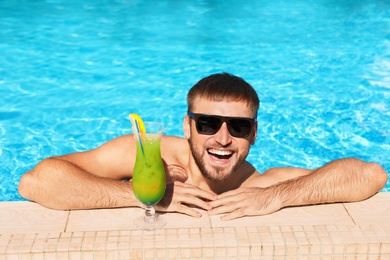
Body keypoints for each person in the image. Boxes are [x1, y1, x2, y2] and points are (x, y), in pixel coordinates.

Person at [18, 72, 388, 220]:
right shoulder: (150, 155)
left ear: (254, 134)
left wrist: (278, 197)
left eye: (239, 127)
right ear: (188, 126)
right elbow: (35, 181)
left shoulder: (258, 186)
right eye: (208, 124)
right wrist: (140, 194)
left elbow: (371, 174)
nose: (223, 139)